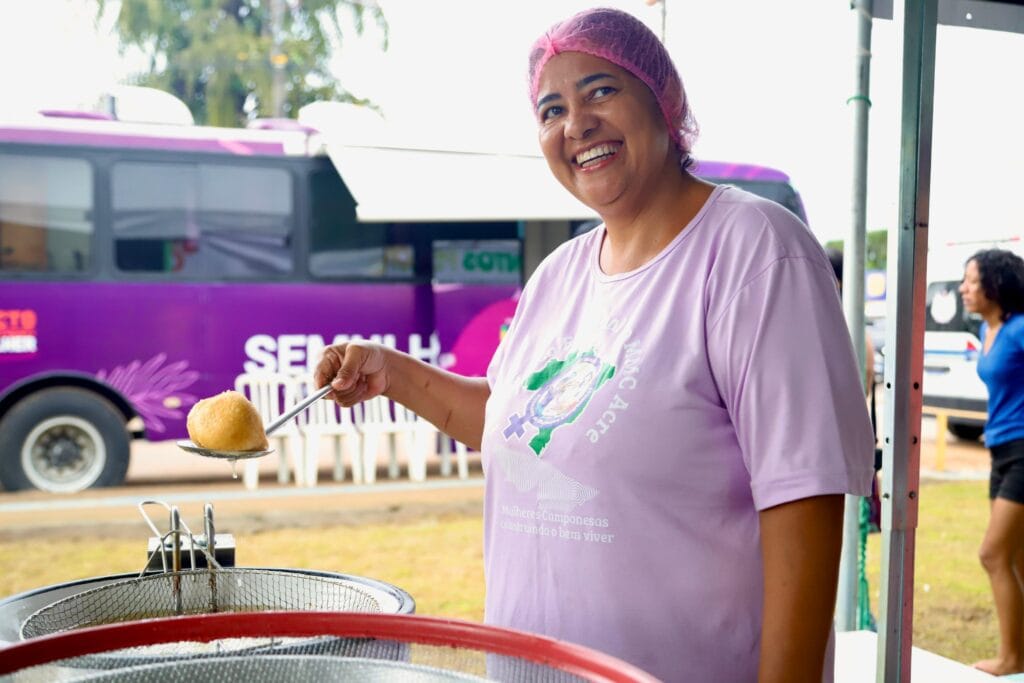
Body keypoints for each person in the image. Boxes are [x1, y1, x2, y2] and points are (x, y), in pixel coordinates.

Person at [314, 8, 874, 681]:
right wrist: (392, 372)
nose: (575, 124)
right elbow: (513, 420)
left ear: (665, 101)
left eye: (600, 91)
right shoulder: (559, 274)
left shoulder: (755, 253)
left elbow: (804, 498)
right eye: (551, 108)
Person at [960, 249, 1024, 676]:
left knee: (992, 554)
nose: (964, 289)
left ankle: (1011, 657)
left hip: (1023, 452)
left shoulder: (1019, 330)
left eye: (971, 281)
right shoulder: (991, 328)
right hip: (1000, 450)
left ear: (995, 285)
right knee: (1016, 559)